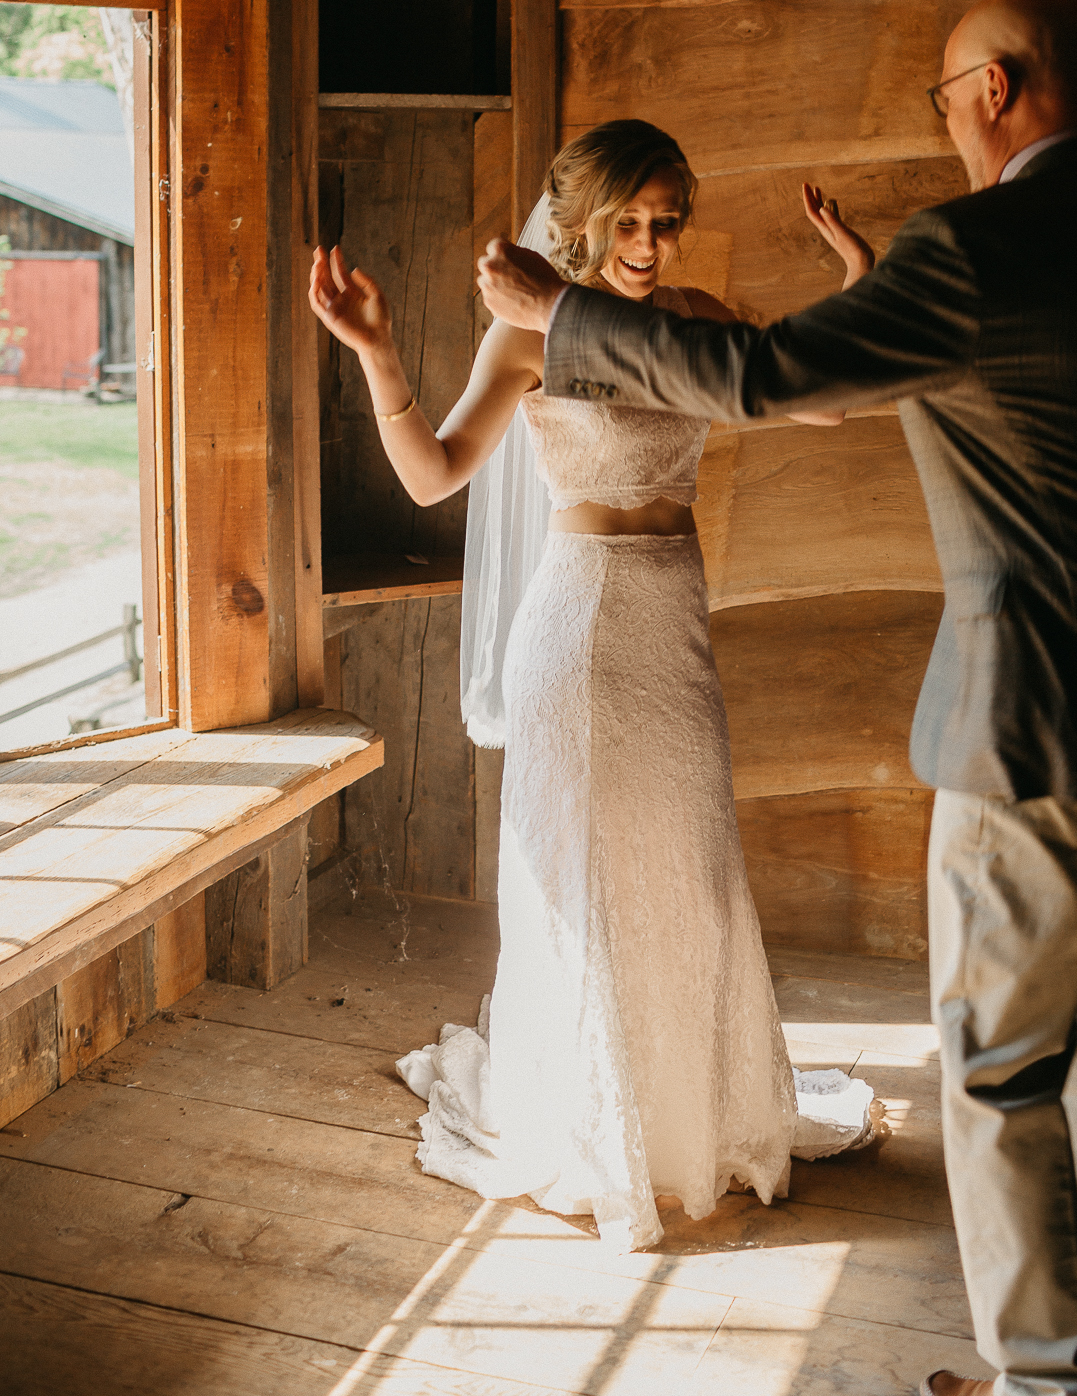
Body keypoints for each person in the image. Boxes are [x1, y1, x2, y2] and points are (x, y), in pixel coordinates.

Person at [476, 0, 1077, 1394]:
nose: (948, 122)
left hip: (1036, 724)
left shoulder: (972, 248)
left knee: (990, 1064)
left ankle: (1042, 1377)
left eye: (942, 96)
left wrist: (563, 318)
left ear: (992, 89)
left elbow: (768, 374)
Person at [309, 117, 878, 1255]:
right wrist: (375, 351)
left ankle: (687, 1118)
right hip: (572, 625)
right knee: (576, 871)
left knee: (689, 862)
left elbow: (822, 398)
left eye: (667, 220)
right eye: (629, 220)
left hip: (672, 621)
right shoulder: (526, 332)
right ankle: (587, 1121)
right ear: (579, 219)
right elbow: (431, 476)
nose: (651, 241)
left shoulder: (697, 322)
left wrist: (859, 279)